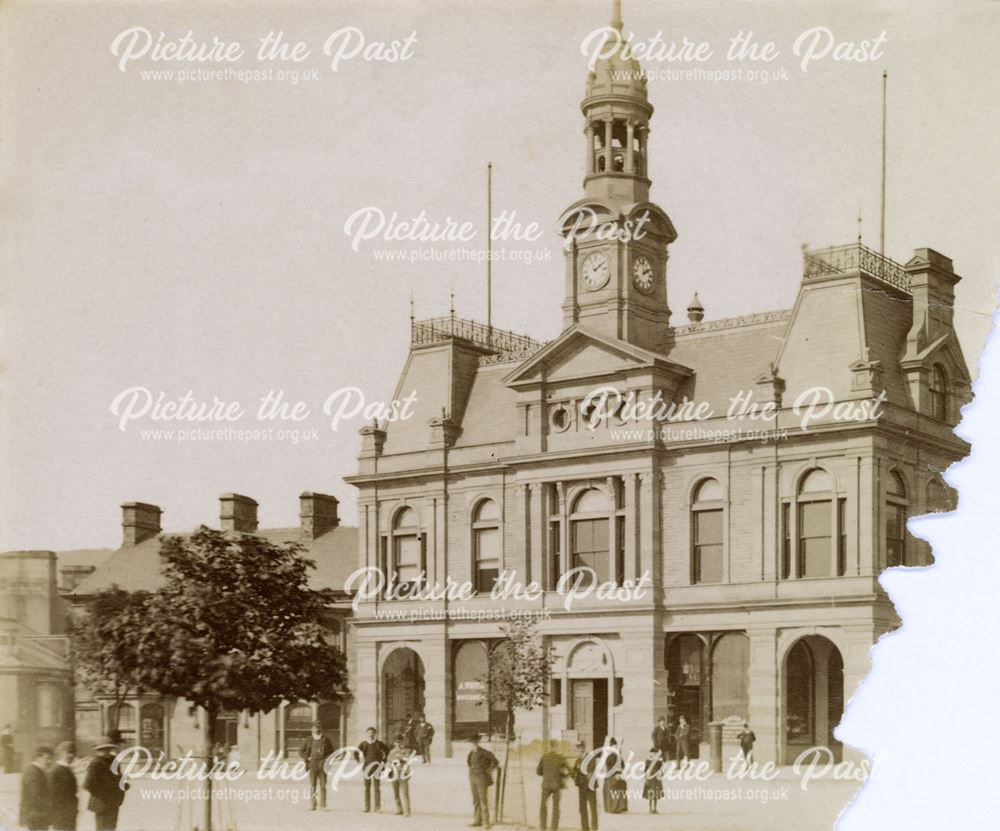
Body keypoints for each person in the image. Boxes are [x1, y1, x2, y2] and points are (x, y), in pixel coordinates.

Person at [84, 736, 128, 831]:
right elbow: (88, 784)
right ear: (98, 750)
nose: (106, 752)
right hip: (102, 804)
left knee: (112, 828)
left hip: (113, 802)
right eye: (103, 750)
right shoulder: (95, 763)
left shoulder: (113, 761)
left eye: (108, 749)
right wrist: (104, 794)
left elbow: (118, 776)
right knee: (102, 828)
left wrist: (123, 784)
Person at [300, 720, 335, 811]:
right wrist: (307, 758)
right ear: (312, 728)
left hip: (323, 765)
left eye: (318, 727)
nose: (317, 729)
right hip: (313, 765)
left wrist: (327, 760)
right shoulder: (309, 740)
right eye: (315, 727)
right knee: (313, 785)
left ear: (321, 728)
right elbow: (301, 751)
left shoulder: (326, 739)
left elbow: (332, 752)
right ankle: (313, 805)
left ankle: (323, 805)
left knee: (323, 786)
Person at [467, 733, 499, 828]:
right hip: (472, 777)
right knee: (475, 800)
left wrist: (488, 770)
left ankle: (486, 822)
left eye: (475, 742)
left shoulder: (484, 752)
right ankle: (477, 820)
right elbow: (469, 764)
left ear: (478, 742)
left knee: (483, 800)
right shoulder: (471, 753)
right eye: (471, 742)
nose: (473, 744)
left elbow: (495, 762)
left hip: (481, 778)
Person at [536, 741, 570, 831]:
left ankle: (543, 827)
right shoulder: (560, 758)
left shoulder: (544, 757)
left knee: (543, 805)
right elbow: (569, 771)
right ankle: (554, 828)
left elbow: (538, 771)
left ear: (550, 747)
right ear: (557, 747)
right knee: (556, 807)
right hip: (556, 785)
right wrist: (562, 776)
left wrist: (546, 774)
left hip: (546, 784)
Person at [19, 746, 53, 831]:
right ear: (38, 757)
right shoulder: (33, 772)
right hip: (36, 816)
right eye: (47, 758)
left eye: (51, 759)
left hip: (38, 815)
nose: (50, 762)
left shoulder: (38, 771)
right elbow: (35, 796)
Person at [357, 727, 389, 813]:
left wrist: (383, 761)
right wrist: (359, 762)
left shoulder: (379, 744)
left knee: (377, 787)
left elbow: (387, 751)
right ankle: (367, 807)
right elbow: (356, 752)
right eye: (369, 733)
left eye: (372, 733)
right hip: (367, 767)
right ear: (367, 734)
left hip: (377, 768)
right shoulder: (364, 744)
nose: (371, 734)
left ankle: (377, 807)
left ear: (375, 733)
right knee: (367, 787)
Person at [50, 741, 79, 831]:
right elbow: (53, 794)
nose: (72, 756)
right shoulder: (56, 770)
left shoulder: (67, 769)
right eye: (69, 753)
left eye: (73, 753)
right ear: (61, 753)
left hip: (69, 812)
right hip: (61, 814)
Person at [571, 741, 599, 831]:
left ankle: (594, 827)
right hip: (581, 787)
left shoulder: (590, 757)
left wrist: (581, 778)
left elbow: (590, 772)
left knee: (592, 808)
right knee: (582, 809)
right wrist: (575, 778)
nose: (579, 749)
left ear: (584, 748)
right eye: (578, 747)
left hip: (590, 787)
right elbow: (573, 771)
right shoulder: (578, 760)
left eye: (580, 747)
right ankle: (585, 828)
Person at [385, 734, 414, 816]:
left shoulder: (406, 751)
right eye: (396, 742)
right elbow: (388, 761)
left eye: (400, 742)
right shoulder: (391, 752)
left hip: (402, 773)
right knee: (396, 793)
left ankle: (407, 810)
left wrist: (400, 757)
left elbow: (408, 760)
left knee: (405, 792)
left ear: (402, 742)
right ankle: (399, 809)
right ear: (394, 743)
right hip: (394, 773)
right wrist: (388, 770)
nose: (398, 744)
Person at [601, 738, 627, 814]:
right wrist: (615, 774)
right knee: (613, 789)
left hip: (619, 774)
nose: (615, 748)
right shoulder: (609, 757)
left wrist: (621, 772)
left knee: (623, 786)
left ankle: (621, 807)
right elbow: (608, 767)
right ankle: (613, 808)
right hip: (611, 776)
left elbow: (623, 766)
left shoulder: (619, 757)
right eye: (614, 747)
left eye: (616, 747)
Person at [642, 747, 664, 814]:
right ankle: (651, 809)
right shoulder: (648, 760)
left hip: (656, 779)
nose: (653, 754)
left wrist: (661, 775)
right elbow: (645, 770)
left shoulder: (659, 761)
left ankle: (655, 808)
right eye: (652, 753)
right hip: (650, 779)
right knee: (650, 795)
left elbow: (661, 770)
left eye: (654, 753)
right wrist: (646, 778)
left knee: (656, 795)